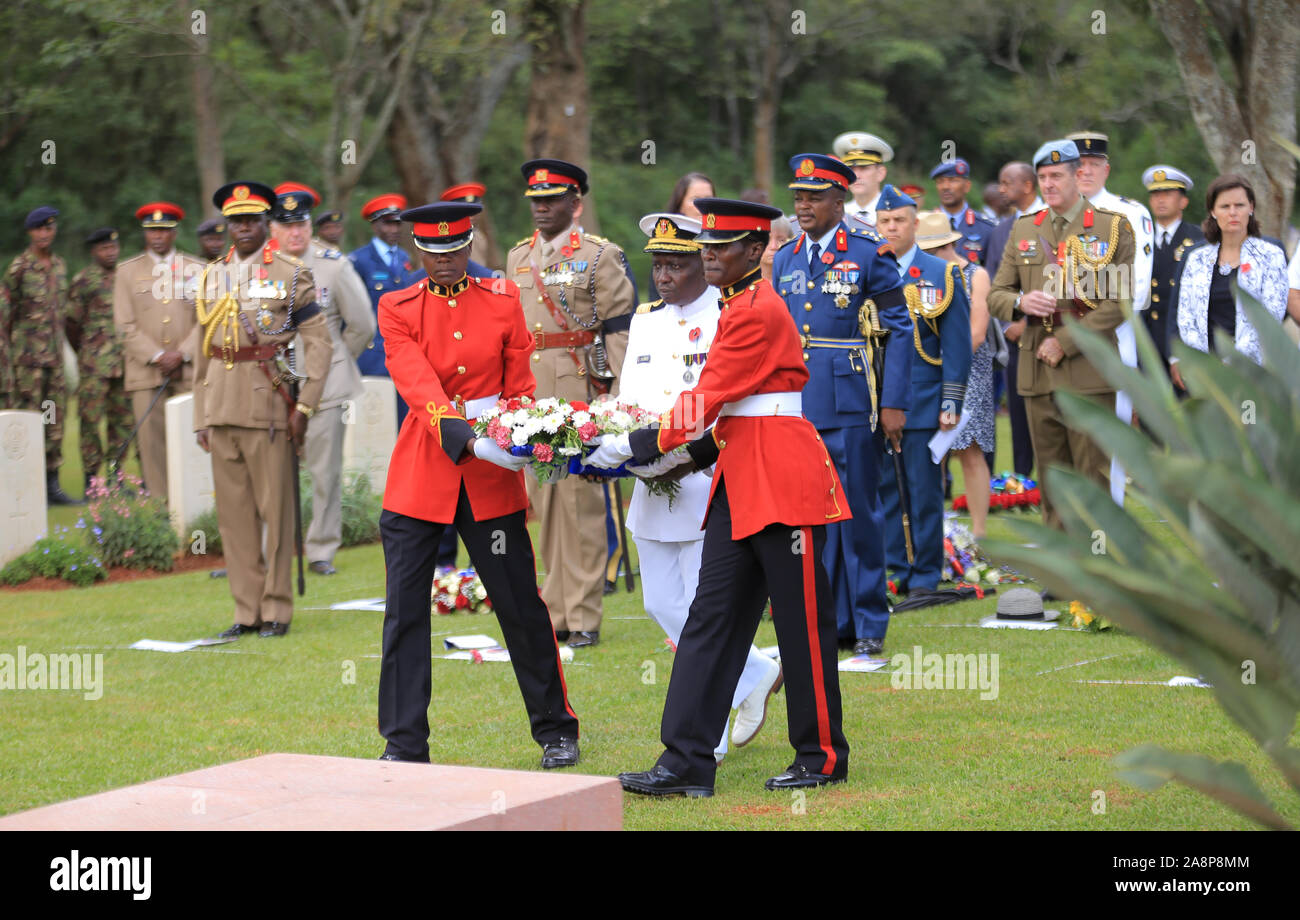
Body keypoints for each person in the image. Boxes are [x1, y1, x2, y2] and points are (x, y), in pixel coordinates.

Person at [588, 197, 850, 796]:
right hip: (740, 467)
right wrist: (656, 453)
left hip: (779, 478)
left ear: (755, 251)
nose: (708, 256)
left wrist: (632, 445)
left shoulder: (754, 309)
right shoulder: (740, 305)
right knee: (710, 619)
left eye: (721, 248)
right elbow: (723, 413)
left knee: (802, 624)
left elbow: (703, 400)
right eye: (704, 246)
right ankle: (685, 761)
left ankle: (822, 755)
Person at [374, 200, 580, 768]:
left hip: (490, 474)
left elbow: (519, 382)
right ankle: (404, 743)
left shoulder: (502, 299)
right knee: (404, 613)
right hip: (424, 468)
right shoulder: (396, 306)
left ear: (470, 247)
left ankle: (557, 730)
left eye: (455, 251)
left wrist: (516, 429)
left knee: (519, 605)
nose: (445, 263)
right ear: (420, 251)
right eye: (434, 253)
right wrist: (463, 434)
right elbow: (414, 381)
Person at [620, 211, 783, 760]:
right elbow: (630, 400)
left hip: (703, 472)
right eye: (658, 266)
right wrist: (614, 442)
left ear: (702, 262)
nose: (665, 276)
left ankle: (702, 735)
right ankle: (757, 671)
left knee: (700, 608)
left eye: (677, 265)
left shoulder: (728, 313)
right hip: (652, 475)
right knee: (660, 602)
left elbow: (719, 399)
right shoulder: (643, 320)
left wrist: (675, 449)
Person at [772, 154, 912, 656]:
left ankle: (870, 623)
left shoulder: (869, 251)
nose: (802, 205)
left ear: (839, 200)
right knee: (809, 517)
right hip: (799, 404)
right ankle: (830, 623)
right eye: (798, 197)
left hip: (852, 399)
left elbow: (899, 327)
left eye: (813, 197)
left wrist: (895, 402)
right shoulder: (786, 256)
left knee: (856, 515)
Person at [504, 158, 636, 648]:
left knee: (579, 503)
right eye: (535, 200)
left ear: (575, 203)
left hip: (580, 388)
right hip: (529, 396)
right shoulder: (518, 257)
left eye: (552, 200)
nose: (541, 208)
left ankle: (581, 614)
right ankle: (554, 610)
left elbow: (620, 331)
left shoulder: (602, 256)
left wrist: (618, 400)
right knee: (543, 500)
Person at [194, 181, 332, 639]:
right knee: (234, 519)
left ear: (265, 223)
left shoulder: (292, 274)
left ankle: (276, 608)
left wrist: (306, 407)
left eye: (253, 219)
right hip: (221, 407)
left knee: (278, 514)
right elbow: (203, 349)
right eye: (237, 220)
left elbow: (319, 344)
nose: (245, 227)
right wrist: (201, 414)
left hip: (270, 407)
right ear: (228, 225)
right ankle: (245, 610)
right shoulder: (211, 275)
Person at [987, 139, 1134, 531]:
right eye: (1043, 177)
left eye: (1057, 176)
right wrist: (1021, 303)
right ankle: (1063, 570)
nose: (1048, 184)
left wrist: (1067, 342)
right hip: (1036, 367)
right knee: (1052, 473)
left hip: (1088, 365)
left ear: (1078, 175)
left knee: (1092, 473)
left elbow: (1121, 301)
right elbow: (995, 296)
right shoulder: (1024, 228)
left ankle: (1098, 565)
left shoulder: (1111, 227)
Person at [268, 188, 376, 576]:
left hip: (326, 386)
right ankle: (271, 547)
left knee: (323, 472)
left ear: (310, 225)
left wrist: (334, 359)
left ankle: (320, 549)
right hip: (273, 382)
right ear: (273, 227)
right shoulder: (258, 266)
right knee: (271, 473)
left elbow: (362, 324)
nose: (295, 233)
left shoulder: (333, 265)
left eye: (301, 225)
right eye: (286, 225)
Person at [874, 186, 971, 598]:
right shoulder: (867, 269)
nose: (891, 228)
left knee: (923, 490)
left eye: (899, 221)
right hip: (874, 401)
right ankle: (896, 567)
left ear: (915, 224)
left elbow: (957, 345)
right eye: (884, 221)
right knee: (886, 490)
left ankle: (927, 572)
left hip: (924, 398)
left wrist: (951, 401)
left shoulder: (940, 273)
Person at [1067, 131, 1153, 506]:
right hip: (1061, 336)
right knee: (1063, 427)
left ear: (1107, 169)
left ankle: (1110, 515)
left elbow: (1137, 286)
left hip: (1112, 335)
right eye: (1078, 165)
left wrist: (1093, 324)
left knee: (1111, 428)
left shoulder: (1130, 213)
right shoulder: (1048, 213)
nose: (1085, 171)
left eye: (1093, 165)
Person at [113, 201, 205, 502]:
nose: (157, 236)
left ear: (174, 232)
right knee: (152, 445)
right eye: (152, 230)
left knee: (195, 437)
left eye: (164, 230)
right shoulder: (127, 272)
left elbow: (207, 320)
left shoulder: (197, 269)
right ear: (145, 233)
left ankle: (197, 503)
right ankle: (162, 506)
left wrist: (183, 354)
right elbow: (124, 324)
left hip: (189, 370)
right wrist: (158, 357)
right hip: (146, 372)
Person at [917, 211, 993, 539]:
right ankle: (934, 529)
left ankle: (978, 532)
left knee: (970, 450)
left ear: (949, 245)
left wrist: (948, 362)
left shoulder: (975, 275)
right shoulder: (918, 274)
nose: (929, 256)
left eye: (934, 250)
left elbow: (976, 333)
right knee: (930, 451)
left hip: (969, 371)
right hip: (928, 368)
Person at [2, 206, 79, 503]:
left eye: (49, 228)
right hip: (27, 363)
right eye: (39, 229)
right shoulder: (18, 268)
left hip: (54, 362)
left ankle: (51, 486)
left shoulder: (59, 266)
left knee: (54, 421)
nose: (45, 233)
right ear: (30, 232)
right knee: (26, 422)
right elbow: (5, 317)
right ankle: (21, 486)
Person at [1173, 173, 1288, 372]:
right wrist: (1204, 364)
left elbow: (1271, 316)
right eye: (1225, 207)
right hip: (1207, 372)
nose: (1232, 212)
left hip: (1257, 370)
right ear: (1213, 211)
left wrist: (1232, 363)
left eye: (1240, 205)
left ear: (1251, 207)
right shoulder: (1196, 259)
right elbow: (1186, 317)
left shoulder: (1271, 256)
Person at [349, 193, 426, 426]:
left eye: (398, 222)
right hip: (371, 354)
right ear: (374, 225)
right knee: (372, 424)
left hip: (403, 352)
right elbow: (352, 314)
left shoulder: (404, 257)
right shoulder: (358, 261)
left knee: (403, 421)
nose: (394, 229)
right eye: (388, 223)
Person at [987, 161, 1043, 478]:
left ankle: (1060, 484)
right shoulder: (1001, 231)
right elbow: (995, 283)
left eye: (1007, 183)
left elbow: (1058, 279)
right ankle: (1023, 481)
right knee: (1019, 409)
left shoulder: (1054, 220)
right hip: (1014, 338)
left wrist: (1028, 322)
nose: (1002, 189)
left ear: (1027, 185)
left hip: (1051, 334)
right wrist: (1010, 323)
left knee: (1052, 410)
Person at [66, 227, 132, 490]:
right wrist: (86, 352)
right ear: (94, 251)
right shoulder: (83, 280)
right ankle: (92, 481)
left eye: (114, 247)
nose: (111, 252)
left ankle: (117, 476)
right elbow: (71, 323)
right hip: (94, 365)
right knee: (91, 421)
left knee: (123, 421)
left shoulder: (126, 277)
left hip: (124, 363)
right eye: (105, 248)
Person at [1142, 165, 1204, 375]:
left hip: (1183, 339)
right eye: (1156, 194)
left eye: (1168, 194)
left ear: (1183, 201)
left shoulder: (1199, 239)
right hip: (1147, 339)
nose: (1160, 200)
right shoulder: (1139, 237)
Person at [930, 157, 997, 266]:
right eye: (940, 181)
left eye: (952, 180)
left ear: (967, 186)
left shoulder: (987, 228)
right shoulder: (923, 226)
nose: (945, 187)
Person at [833, 131, 893, 226]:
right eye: (851, 169)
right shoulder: (836, 214)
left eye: (864, 168)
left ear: (880, 173)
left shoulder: (896, 213)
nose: (856, 176)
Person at [759, 214, 794, 282]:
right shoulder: (741, 282)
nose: (773, 247)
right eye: (767, 239)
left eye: (781, 240)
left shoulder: (800, 280)